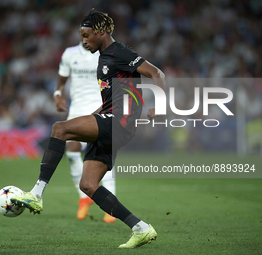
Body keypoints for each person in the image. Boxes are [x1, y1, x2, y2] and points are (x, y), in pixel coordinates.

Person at [11, 9, 166, 248]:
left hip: (120, 122)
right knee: (88, 184)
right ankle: (141, 228)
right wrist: (93, 115)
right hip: (111, 119)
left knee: (59, 129)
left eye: (87, 35)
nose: (84, 40)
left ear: (101, 32)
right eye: (82, 36)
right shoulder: (104, 58)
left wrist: (161, 105)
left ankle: (37, 194)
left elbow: (157, 73)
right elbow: (110, 101)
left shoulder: (120, 52)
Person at [54, 41, 116, 223]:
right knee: (72, 151)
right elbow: (60, 83)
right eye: (83, 33)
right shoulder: (70, 54)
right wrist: (57, 96)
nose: (86, 36)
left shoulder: (106, 54)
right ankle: (84, 197)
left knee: (103, 154)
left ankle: (110, 203)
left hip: (101, 109)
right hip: (77, 111)